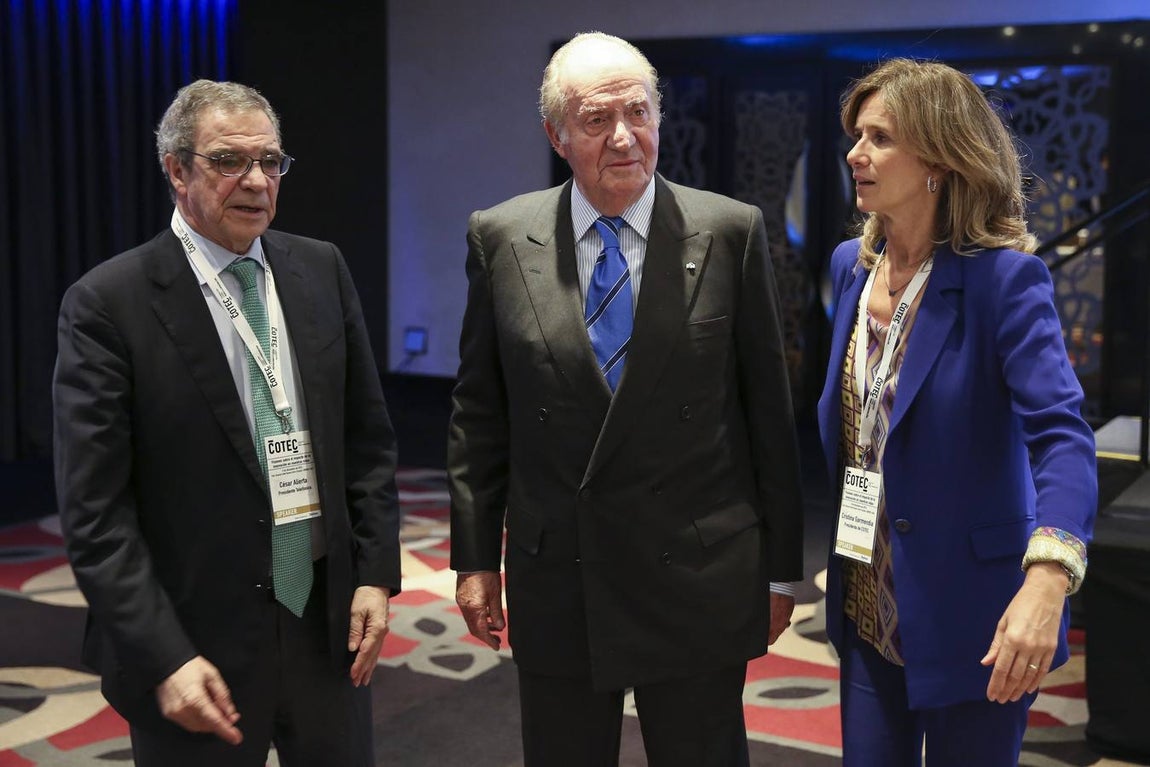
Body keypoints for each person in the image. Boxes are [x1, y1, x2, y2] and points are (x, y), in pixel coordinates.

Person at [447, 31, 804, 767]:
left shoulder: (729, 230)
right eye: (596, 120)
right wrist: (475, 559)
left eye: (637, 113)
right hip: (561, 568)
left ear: (659, 118)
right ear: (556, 135)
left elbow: (768, 414)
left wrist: (780, 568)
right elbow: (480, 415)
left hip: (696, 567)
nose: (622, 137)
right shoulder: (501, 236)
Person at [52, 80, 401, 767]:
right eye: (228, 161)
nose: (256, 181)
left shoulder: (321, 268)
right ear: (177, 170)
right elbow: (96, 513)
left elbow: (367, 441)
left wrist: (374, 574)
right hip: (194, 643)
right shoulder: (108, 304)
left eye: (270, 161)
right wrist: (163, 655)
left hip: (324, 626)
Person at [817, 58, 1096, 766]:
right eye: (856, 135)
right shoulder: (850, 266)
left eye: (880, 138)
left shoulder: (1004, 279)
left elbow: (1062, 437)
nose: (855, 153)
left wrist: (1048, 578)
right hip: (867, 602)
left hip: (976, 617)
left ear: (939, 161)